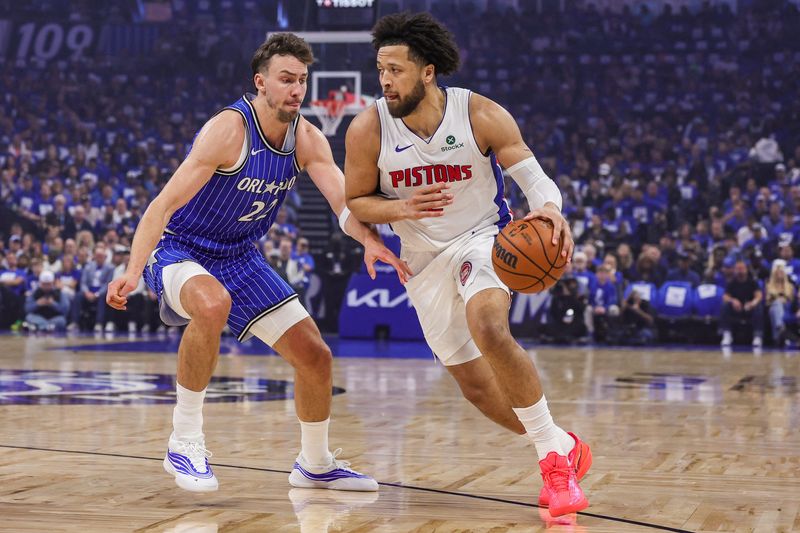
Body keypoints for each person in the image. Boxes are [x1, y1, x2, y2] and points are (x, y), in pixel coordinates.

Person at [107, 33, 409, 494]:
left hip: (240, 257)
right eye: (286, 79)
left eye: (302, 81)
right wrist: (132, 269)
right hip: (180, 247)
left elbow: (343, 203)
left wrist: (367, 238)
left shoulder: (307, 137)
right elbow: (161, 206)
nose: (296, 90)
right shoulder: (228, 130)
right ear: (260, 83)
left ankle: (315, 464)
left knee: (316, 356)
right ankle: (184, 441)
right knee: (211, 304)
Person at [344, 13, 589, 517]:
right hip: (421, 262)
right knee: (477, 389)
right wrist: (399, 209)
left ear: (428, 72)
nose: (385, 80)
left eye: (396, 69)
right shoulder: (368, 127)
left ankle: (554, 466)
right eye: (381, 69)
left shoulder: (478, 113)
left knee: (488, 327)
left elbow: (533, 175)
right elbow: (356, 201)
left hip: (484, 240)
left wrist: (550, 209)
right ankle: (560, 443)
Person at [720, 260, 764, 347]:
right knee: (724, 305)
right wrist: (733, 301)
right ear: (734, 270)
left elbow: (759, 296)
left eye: (742, 268)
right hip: (736, 309)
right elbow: (725, 296)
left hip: (749, 309)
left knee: (759, 307)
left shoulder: (752, 282)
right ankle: (727, 334)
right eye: (738, 268)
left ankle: (757, 336)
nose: (740, 271)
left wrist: (752, 303)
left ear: (746, 269)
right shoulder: (732, 282)